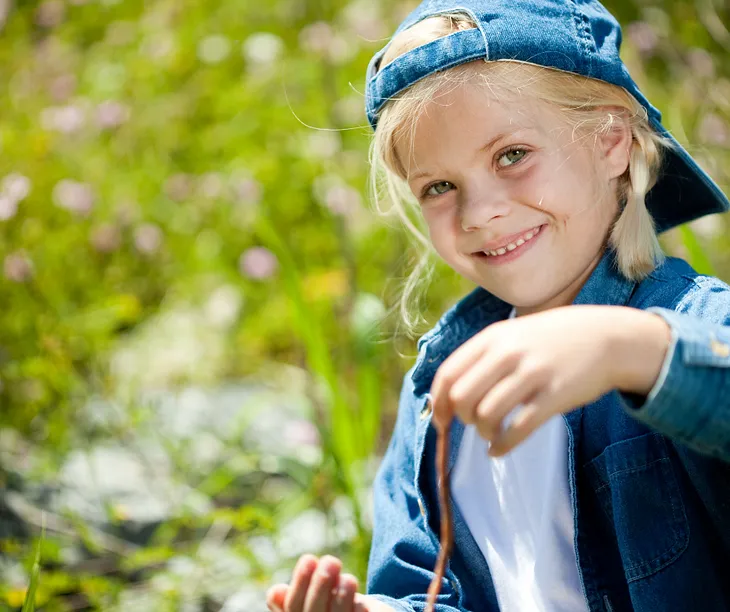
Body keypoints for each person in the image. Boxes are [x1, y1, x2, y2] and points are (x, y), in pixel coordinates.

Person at [267, 0, 730, 610]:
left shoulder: (694, 321)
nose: (479, 211)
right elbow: (427, 591)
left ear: (612, 141)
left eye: (512, 155)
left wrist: (628, 349)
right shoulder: (439, 391)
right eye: (439, 187)